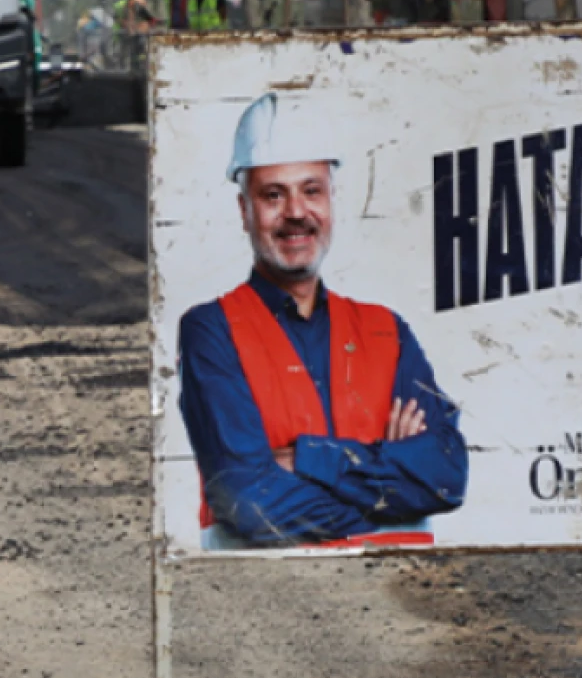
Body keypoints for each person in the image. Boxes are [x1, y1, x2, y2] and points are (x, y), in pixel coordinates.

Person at [177, 92, 467, 548]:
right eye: (273, 195)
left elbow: (446, 475)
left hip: (400, 604)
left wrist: (308, 459)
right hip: (264, 608)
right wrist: (390, 487)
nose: (296, 212)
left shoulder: (386, 331)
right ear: (244, 211)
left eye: (311, 190)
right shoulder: (211, 332)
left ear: (332, 198)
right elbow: (247, 500)